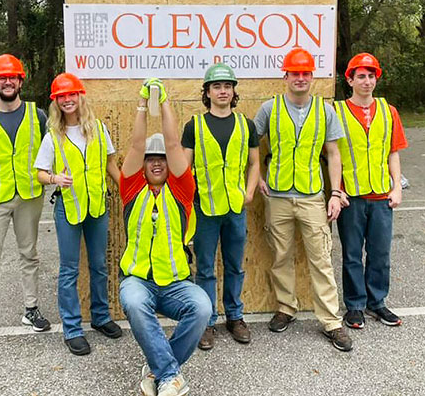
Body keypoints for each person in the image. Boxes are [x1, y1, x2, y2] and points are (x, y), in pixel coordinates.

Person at [254, 48, 352, 352]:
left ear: (312, 77)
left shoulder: (325, 111)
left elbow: (333, 154)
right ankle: (286, 307)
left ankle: (331, 322)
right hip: (278, 196)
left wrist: (335, 193)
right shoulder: (269, 108)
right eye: (294, 73)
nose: (300, 78)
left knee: (321, 259)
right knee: (281, 256)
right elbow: (252, 144)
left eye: (305, 73)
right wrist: (256, 177)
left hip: (312, 197)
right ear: (286, 76)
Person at [119, 78, 212, 396]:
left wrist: (165, 103)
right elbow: (135, 146)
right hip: (138, 281)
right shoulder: (131, 188)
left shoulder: (182, 190)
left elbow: (173, 145)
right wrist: (143, 106)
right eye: (150, 158)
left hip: (174, 283)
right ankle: (170, 375)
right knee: (131, 300)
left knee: (202, 308)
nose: (156, 161)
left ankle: (156, 370)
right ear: (143, 165)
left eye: (161, 159)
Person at [33, 73, 122, 355]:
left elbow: (110, 165)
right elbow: (39, 174)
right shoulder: (53, 137)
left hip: (97, 206)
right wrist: (54, 179)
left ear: (80, 97)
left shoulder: (98, 129)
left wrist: (129, 191)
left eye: (71, 95)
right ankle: (72, 329)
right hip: (68, 208)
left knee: (99, 265)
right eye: (62, 96)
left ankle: (101, 317)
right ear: (56, 102)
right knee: (69, 269)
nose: (67, 100)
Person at [0, 54, 50, 347]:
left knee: (29, 254)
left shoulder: (37, 115)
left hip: (29, 195)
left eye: (12, 76)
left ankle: (31, 309)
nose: (7, 81)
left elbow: (46, 152)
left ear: (20, 80)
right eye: (2, 77)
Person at [181, 63, 260, 350]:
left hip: (235, 209)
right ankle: (207, 320)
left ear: (233, 91)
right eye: (217, 86)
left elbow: (254, 163)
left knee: (234, 265)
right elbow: (184, 167)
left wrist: (249, 192)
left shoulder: (246, 125)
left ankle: (235, 316)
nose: (223, 91)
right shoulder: (194, 126)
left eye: (227, 86)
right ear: (207, 92)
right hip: (205, 210)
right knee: (205, 268)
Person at [334, 53, 407, 329]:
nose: (366, 81)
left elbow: (394, 153)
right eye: (361, 76)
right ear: (350, 79)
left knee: (380, 253)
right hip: (351, 196)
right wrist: (336, 191)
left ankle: (377, 302)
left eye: (371, 76)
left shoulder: (389, 112)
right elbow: (332, 156)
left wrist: (396, 187)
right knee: (352, 253)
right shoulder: (337, 112)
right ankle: (354, 305)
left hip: (381, 196)